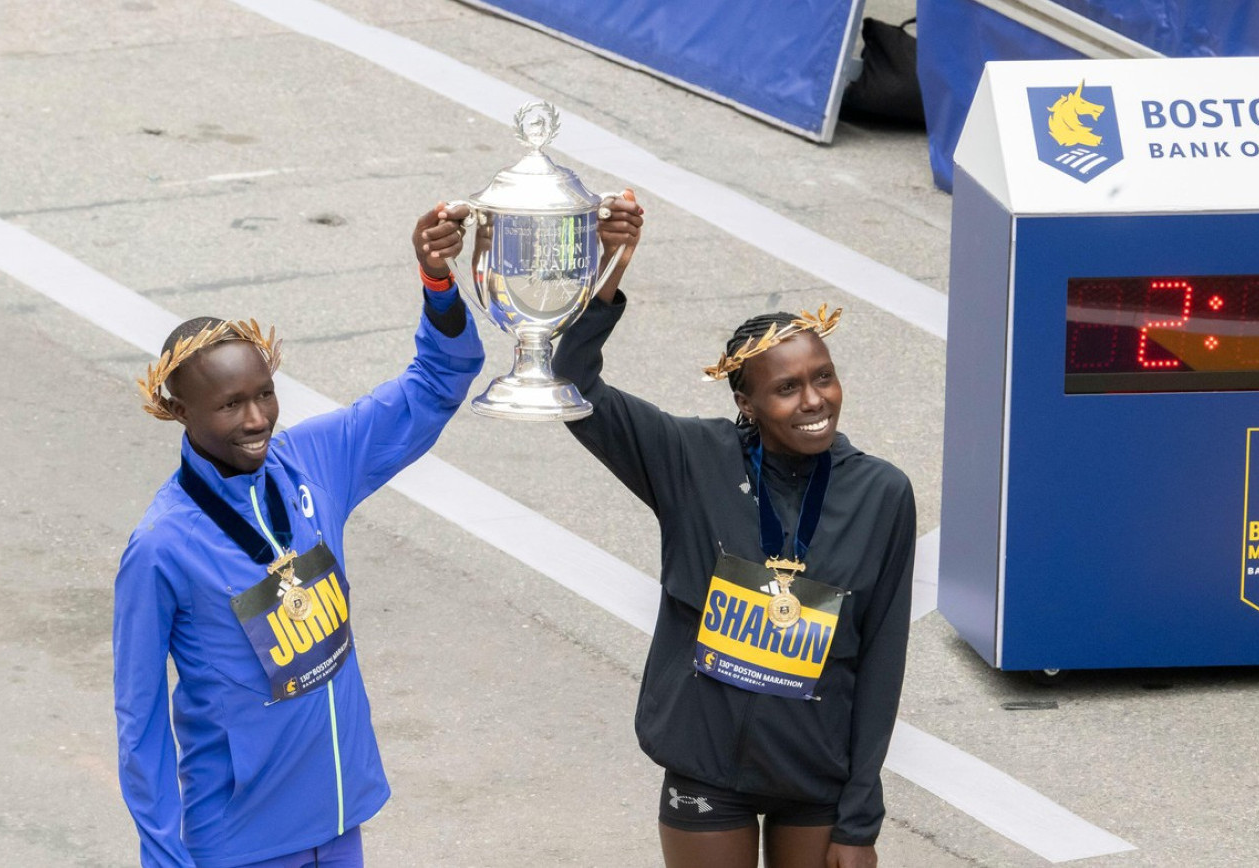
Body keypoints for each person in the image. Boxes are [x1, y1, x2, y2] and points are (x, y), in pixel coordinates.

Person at [112, 204, 483, 867]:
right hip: (237, 841)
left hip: (339, 821)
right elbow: (139, 724)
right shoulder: (163, 546)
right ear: (179, 411)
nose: (256, 420)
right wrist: (166, 858)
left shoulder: (313, 459)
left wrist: (436, 279)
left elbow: (438, 383)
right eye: (230, 405)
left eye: (265, 394)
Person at [558, 193, 916, 868]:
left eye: (824, 379)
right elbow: (569, 385)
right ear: (745, 403)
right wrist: (608, 269)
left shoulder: (882, 494)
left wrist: (859, 820)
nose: (813, 401)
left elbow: (881, 665)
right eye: (787, 389)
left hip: (815, 776)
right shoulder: (691, 459)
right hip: (707, 765)